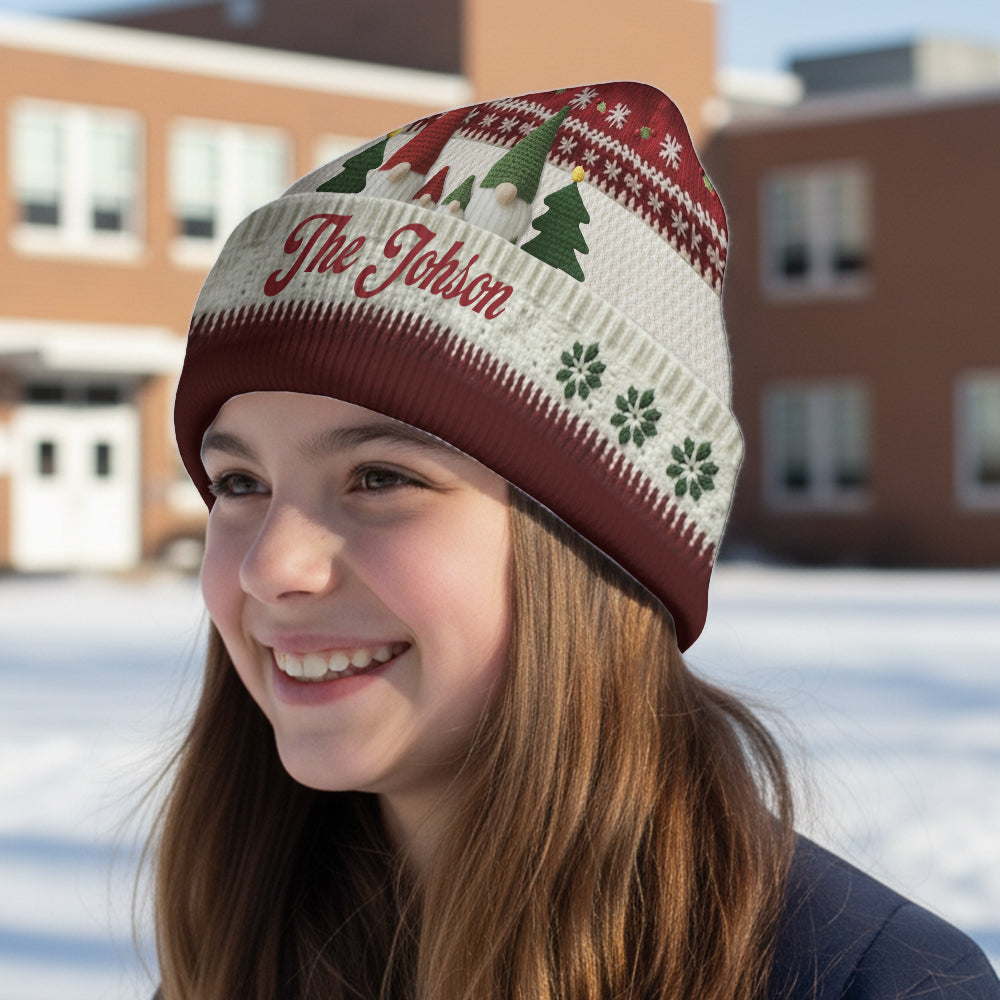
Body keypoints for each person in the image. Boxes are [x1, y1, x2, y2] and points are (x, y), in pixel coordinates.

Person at [157, 81, 999, 1000]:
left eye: (382, 478)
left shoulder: (874, 984)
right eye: (239, 483)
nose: (272, 565)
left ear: (596, 546)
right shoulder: (244, 948)